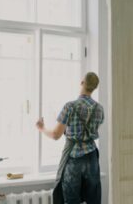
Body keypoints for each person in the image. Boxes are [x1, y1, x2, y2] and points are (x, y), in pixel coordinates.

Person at [36, 72, 104, 204]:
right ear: (94, 87)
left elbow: (56, 135)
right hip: (91, 157)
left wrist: (41, 128)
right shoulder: (99, 109)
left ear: (82, 82)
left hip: (74, 158)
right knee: (93, 199)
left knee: (71, 200)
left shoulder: (70, 106)